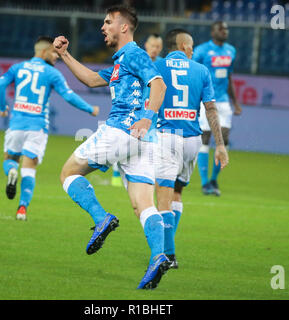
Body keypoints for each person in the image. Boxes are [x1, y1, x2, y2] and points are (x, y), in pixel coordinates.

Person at [53, 5, 170, 290]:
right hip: (142, 141)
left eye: (108, 22)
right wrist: (65, 55)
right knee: (143, 204)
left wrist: (147, 117)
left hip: (122, 130)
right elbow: (92, 79)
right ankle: (158, 257)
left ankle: (101, 217)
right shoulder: (121, 62)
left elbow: (159, 85)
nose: (103, 27)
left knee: (68, 174)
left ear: (124, 27)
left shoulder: (134, 54)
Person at [0, 36, 99, 221]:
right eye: (53, 52)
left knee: (10, 159)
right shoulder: (52, 73)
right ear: (43, 52)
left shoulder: (18, 67)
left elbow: (0, 84)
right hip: (37, 127)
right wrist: (90, 109)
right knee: (29, 169)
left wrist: (3, 107)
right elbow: (69, 96)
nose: (56, 56)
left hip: (16, 125)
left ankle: (11, 171)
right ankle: (22, 209)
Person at [154, 29, 228, 268]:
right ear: (183, 45)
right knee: (177, 193)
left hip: (167, 136)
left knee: (162, 199)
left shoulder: (156, 67)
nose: (193, 50)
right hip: (192, 140)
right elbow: (211, 110)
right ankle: (169, 249)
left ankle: (168, 255)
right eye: (191, 45)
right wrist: (220, 145)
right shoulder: (201, 70)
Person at [193, 21, 241, 196]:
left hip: (223, 101)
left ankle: (214, 179)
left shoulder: (231, 51)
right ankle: (205, 183)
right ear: (213, 32)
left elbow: (229, 77)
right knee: (205, 138)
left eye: (226, 29)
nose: (224, 31)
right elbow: (192, 74)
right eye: (221, 29)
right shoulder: (201, 51)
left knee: (224, 139)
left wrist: (234, 102)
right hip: (206, 101)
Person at [110, 33, 163, 187]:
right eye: (153, 46)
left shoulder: (160, 64)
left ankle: (144, 177)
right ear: (146, 45)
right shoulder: (137, 60)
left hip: (150, 110)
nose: (155, 49)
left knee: (147, 145)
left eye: (158, 47)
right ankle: (116, 172)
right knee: (125, 141)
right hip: (134, 107)